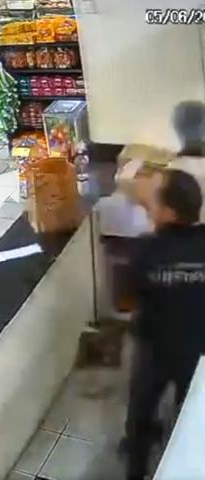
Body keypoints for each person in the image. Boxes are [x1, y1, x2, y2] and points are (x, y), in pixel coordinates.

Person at [123, 168, 205, 480]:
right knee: (190, 421)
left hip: (154, 353)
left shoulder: (144, 250)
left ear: (168, 210)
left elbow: (125, 301)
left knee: (140, 418)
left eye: (154, 198)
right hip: (199, 357)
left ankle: (137, 470)